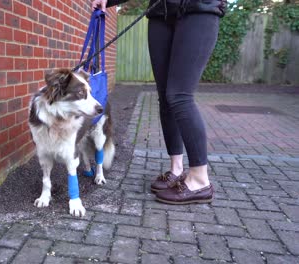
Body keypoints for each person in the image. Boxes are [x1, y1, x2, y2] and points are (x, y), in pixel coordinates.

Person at [91, 0, 227, 204]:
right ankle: (176, 169)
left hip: (199, 8)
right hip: (160, 13)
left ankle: (200, 180)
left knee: (179, 95)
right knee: (165, 97)